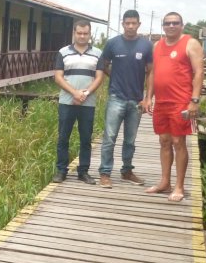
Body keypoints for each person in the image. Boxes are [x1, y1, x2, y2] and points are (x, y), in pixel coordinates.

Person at [144, 12, 204, 202]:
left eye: (175, 23)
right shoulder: (157, 45)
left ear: (182, 25)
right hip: (162, 102)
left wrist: (194, 100)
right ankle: (164, 182)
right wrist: (148, 97)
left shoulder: (190, 43)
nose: (171, 26)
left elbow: (199, 72)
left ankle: (179, 186)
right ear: (163, 26)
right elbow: (153, 73)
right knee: (164, 141)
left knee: (179, 142)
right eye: (167, 23)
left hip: (181, 101)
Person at [96, 10, 153, 188]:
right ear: (122, 24)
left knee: (130, 140)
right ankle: (105, 172)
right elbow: (103, 64)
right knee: (110, 137)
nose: (130, 26)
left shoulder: (146, 45)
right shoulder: (113, 43)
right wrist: (115, 76)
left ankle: (127, 171)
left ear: (138, 24)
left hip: (136, 100)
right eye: (127, 23)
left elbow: (151, 72)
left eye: (133, 23)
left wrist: (148, 98)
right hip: (116, 97)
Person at [52, 20, 104, 184]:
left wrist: (85, 93)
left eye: (85, 33)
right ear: (74, 33)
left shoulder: (98, 53)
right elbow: (58, 77)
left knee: (86, 138)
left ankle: (83, 171)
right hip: (67, 101)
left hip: (87, 103)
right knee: (63, 138)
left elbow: (99, 77)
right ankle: (61, 171)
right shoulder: (63, 52)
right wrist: (74, 93)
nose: (82, 36)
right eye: (79, 33)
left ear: (90, 34)